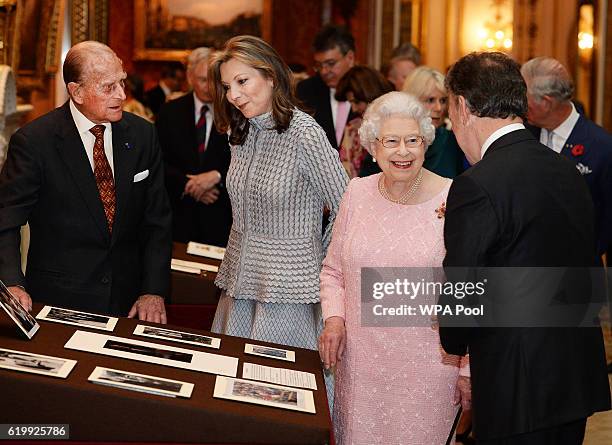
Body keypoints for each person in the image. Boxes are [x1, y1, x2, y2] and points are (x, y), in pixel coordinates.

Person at [439, 51, 610, 444]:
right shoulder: (567, 169)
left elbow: (463, 288)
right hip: (575, 377)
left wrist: (452, 337)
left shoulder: (478, 183)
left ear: (463, 107)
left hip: (517, 384)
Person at [319, 91, 470, 444]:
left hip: (430, 368)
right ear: (373, 146)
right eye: (391, 141)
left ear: (425, 143)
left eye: (412, 141)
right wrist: (335, 319)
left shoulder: (455, 198)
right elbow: (333, 272)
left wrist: (467, 367)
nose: (403, 152)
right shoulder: (356, 192)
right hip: (361, 365)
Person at [0, 41, 172, 321]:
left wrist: (153, 289)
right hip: (59, 299)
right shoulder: (35, 142)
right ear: (76, 92)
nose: (122, 94)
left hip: (129, 301)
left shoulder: (143, 135)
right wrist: (12, 284)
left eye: (122, 83)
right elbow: (6, 220)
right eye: (109, 87)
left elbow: (157, 222)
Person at [208, 36, 348, 352]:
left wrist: (320, 259)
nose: (234, 95)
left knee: (277, 387)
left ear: (270, 75)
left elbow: (346, 205)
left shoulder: (304, 132)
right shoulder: (239, 131)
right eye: (227, 86)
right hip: (239, 282)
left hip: (289, 288)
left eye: (242, 81)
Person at [520, 56, 612, 259]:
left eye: (523, 98)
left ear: (546, 102)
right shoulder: (523, 134)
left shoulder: (602, 147)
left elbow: (607, 218)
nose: (519, 105)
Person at [156, 47, 232, 247]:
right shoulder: (169, 112)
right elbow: (157, 160)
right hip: (180, 217)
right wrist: (190, 185)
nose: (209, 87)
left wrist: (217, 176)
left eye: (214, 80)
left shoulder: (235, 112)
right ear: (190, 77)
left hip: (222, 218)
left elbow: (248, 161)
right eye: (202, 80)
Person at [296, 24, 355, 149]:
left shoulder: (372, 90)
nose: (324, 71)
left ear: (350, 58)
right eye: (319, 65)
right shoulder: (305, 91)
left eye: (331, 63)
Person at [403, 66, 464, 178]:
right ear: (412, 101)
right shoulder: (394, 141)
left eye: (443, 100)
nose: (439, 108)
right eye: (430, 100)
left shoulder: (454, 142)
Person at [333, 65, 393, 178]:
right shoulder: (353, 129)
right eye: (350, 103)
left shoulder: (399, 124)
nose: (354, 109)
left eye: (356, 102)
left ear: (371, 94)